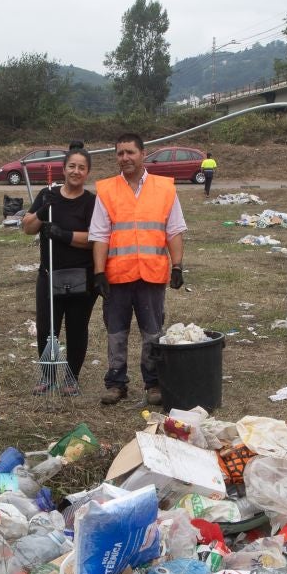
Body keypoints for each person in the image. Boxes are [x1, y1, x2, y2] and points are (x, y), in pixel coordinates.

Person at [91, 132, 185, 406]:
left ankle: (153, 383)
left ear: (143, 154)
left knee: (152, 333)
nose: (125, 158)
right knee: (116, 332)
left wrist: (177, 265)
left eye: (130, 152)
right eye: (120, 153)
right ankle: (116, 383)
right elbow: (100, 235)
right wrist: (99, 272)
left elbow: (175, 229)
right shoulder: (107, 190)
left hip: (152, 275)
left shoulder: (165, 188)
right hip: (117, 276)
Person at [21, 144, 99, 395]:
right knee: (47, 329)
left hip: (81, 278)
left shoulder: (91, 202)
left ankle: (71, 379)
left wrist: (63, 235)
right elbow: (27, 228)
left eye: (82, 168)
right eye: (72, 166)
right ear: (64, 169)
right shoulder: (47, 195)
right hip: (49, 275)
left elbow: (94, 238)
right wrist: (43, 212)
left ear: (87, 172)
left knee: (77, 329)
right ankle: (47, 376)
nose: (76, 171)